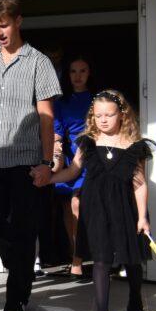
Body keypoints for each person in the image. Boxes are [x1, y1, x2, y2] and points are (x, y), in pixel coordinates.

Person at [0, 0, 62, 311]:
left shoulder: (39, 62)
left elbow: (46, 116)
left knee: (23, 229)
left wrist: (46, 163)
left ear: (18, 21)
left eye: (4, 25)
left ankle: (16, 298)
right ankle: (20, 265)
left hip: (25, 161)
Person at [43, 90, 151, 311]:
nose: (103, 120)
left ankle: (135, 299)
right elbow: (72, 171)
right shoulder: (87, 142)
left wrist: (142, 217)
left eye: (108, 115)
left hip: (125, 208)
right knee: (101, 259)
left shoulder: (135, 147)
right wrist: (48, 179)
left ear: (122, 115)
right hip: (96, 208)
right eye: (98, 115)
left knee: (131, 258)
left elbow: (140, 184)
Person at [53, 56, 93, 279]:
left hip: (92, 153)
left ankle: (79, 258)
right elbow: (57, 131)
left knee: (78, 204)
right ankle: (73, 253)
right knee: (67, 209)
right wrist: (57, 149)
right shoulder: (60, 102)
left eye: (83, 70)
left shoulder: (97, 99)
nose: (78, 76)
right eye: (73, 71)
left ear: (90, 73)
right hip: (69, 155)